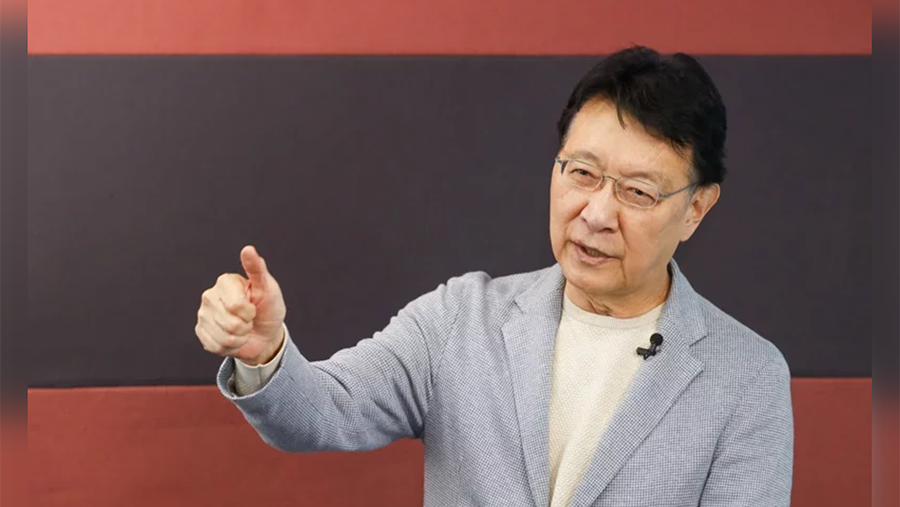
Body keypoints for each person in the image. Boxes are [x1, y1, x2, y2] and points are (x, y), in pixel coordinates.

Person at [194, 46, 793, 507]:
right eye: (582, 173)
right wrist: (264, 351)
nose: (596, 214)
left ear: (696, 208)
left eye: (637, 192)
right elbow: (327, 410)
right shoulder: (462, 318)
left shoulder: (747, 378)